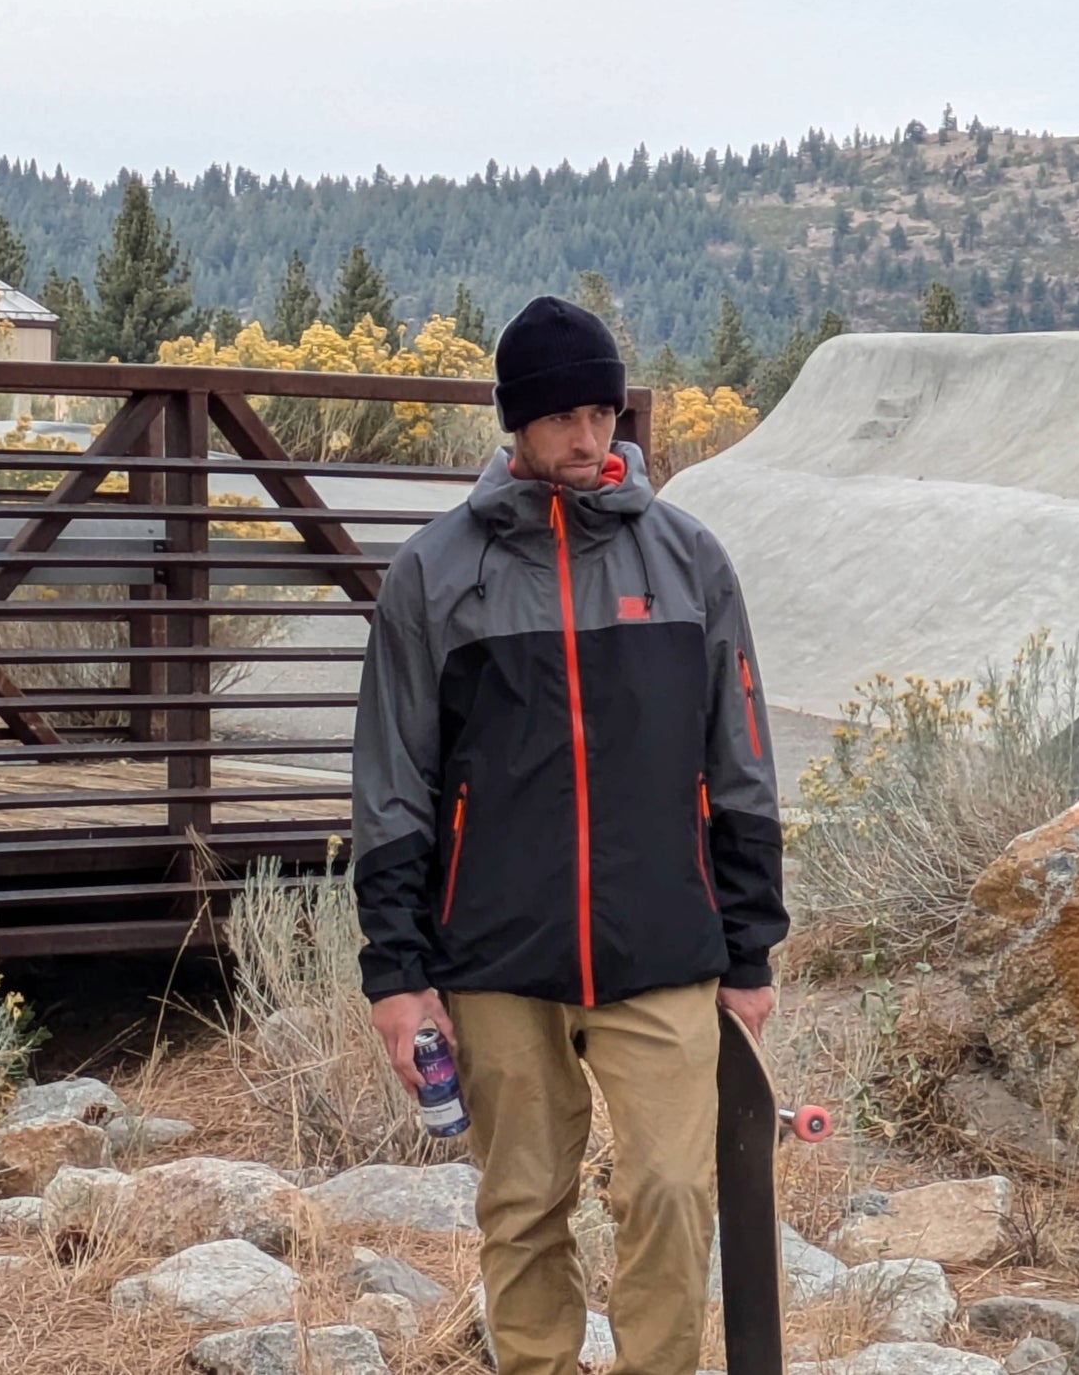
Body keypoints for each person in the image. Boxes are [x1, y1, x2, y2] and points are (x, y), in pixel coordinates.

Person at [352, 294, 787, 1375]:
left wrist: (749, 948)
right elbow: (392, 785)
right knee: (522, 1207)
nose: (588, 437)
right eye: (561, 417)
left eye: (602, 411)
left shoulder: (688, 560)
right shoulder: (434, 574)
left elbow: (739, 760)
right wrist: (395, 974)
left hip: (661, 947)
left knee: (675, 1194)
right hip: (498, 954)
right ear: (514, 421)